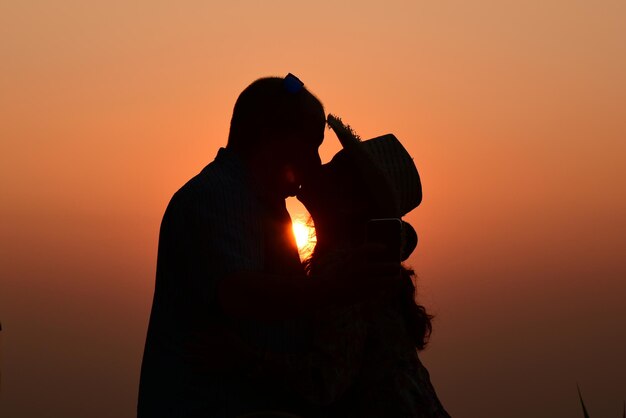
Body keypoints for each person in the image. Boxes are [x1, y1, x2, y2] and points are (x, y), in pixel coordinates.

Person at [138, 75, 400, 417]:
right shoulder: (217, 197)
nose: (316, 163)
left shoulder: (262, 207)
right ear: (269, 136)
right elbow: (238, 294)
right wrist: (333, 289)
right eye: (311, 145)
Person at [246, 115, 451, 417]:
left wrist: (243, 358)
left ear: (351, 202)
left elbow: (323, 382)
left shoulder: (349, 271)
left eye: (336, 170)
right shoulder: (361, 267)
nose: (321, 169)